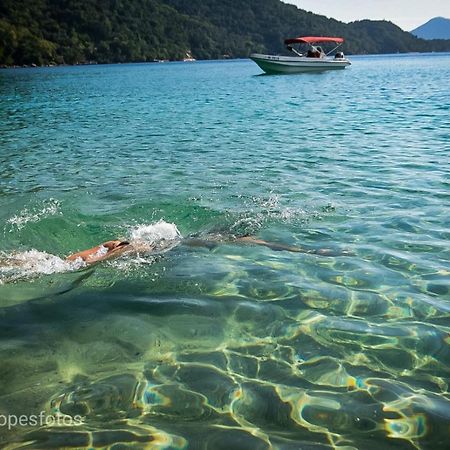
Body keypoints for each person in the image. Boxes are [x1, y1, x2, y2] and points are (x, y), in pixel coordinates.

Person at [66, 235, 346, 266]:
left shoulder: (212, 238)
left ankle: (304, 251)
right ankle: (306, 252)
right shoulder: (222, 239)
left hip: (138, 244)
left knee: (68, 262)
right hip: (152, 246)